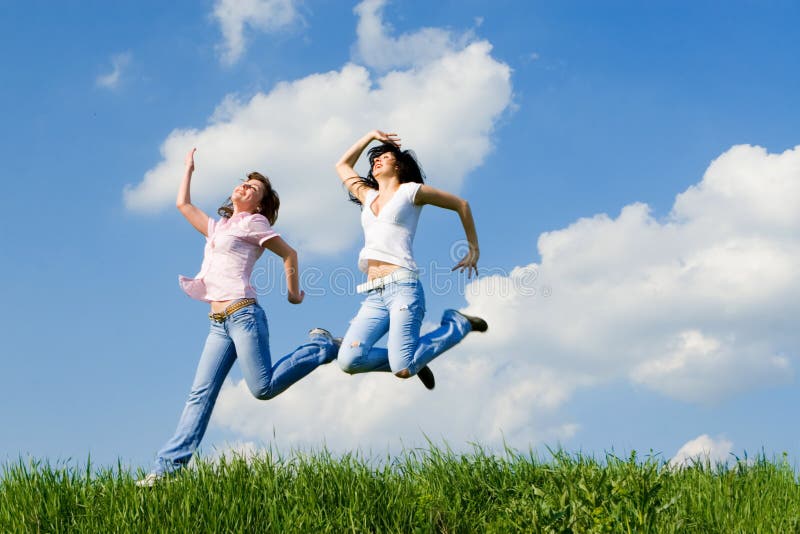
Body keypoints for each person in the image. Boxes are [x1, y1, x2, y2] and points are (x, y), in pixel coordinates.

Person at [137, 148, 338, 486]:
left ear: (259, 204)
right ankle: (165, 471)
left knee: (263, 388)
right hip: (218, 325)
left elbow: (289, 253)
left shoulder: (253, 223)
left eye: (253, 189)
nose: (245, 187)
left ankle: (322, 346)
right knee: (199, 395)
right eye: (244, 183)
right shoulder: (217, 228)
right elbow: (183, 206)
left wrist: (293, 292)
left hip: (243, 315)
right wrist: (188, 169)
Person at [334, 130, 488, 390]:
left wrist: (473, 247)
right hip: (374, 295)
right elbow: (342, 165)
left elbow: (461, 204)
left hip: (402, 288)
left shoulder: (410, 192)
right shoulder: (367, 195)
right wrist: (371, 136)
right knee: (349, 361)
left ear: (399, 165)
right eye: (375, 158)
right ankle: (414, 355)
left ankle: (456, 324)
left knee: (402, 369)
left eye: (384, 156)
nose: (377, 160)